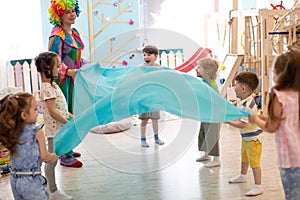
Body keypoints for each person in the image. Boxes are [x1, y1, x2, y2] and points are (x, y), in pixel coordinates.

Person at [249, 47, 300, 200]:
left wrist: (255, 119)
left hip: (290, 160)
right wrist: (264, 117)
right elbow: (287, 119)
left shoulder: (278, 95)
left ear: (280, 74)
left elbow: (272, 126)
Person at [35, 52, 82, 199]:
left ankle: (51, 190)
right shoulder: (47, 88)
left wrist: (70, 116)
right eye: (57, 65)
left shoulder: (52, 84)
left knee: (54, 158)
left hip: (59, 129)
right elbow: (53, 112)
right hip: (54, 131)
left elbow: (60, 108)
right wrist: (68, 124)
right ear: (48, 69)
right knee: (52, 159)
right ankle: (52, 191)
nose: (60, 68)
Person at [0, 92, 58, 199]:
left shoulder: (12, 131)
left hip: (15, 180)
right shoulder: (37, 132)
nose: (38, 112)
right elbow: (45, 157)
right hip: (31, 181)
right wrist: (54, 156)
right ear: (23, 115)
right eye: (35, 109)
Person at [227, 71, 263, 196]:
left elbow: (242, 124)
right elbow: (237, 106)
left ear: (243, 88)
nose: (233, 88)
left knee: (254, 163)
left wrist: (228, 122)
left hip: (254, 140)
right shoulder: (243, 100)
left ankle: (258, 185)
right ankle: (243, 176)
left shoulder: (249, 106)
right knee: (245, 158)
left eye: (235, 85)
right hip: (246, 138)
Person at [48, 0, 87, 114]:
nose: (72, 14)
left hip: (73, 77)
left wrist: (86, 65)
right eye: (67, 12)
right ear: (58, 15)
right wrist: (68, 71)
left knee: (74, 109)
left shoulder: (75, 33)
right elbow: (53, 61)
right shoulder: (56, 36)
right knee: (64, 110)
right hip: (62, 79)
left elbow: (76, 58)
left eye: (73, 11)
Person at [195, 58, 221, 168]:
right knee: (203, 133)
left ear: (207, 71)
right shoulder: (204, 82)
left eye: (199, 67)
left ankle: (216, 158)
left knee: (212, 136)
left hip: (213, 115)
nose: (196, 69)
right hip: (206, 114)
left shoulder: (211, 85)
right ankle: (206, 154)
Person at [139, 45, 165, 147]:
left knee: (155, 119)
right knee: (144, 119)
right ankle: (143, 138)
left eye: (149, 55)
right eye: (144, 55)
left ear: (156, 56)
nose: (146, 57)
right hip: (144, 98)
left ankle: (156, 137)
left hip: (155, 98)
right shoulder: (141, 68)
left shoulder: (159, 68)